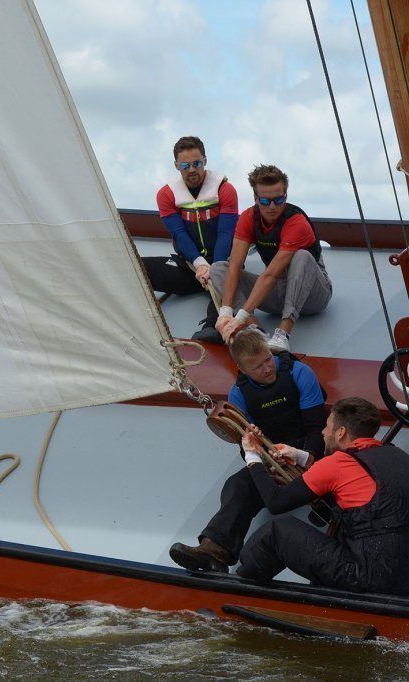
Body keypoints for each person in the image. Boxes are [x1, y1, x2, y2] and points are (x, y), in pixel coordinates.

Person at [169, 328, 326, 572]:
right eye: (258, 367)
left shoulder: (299, 373)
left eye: (268, 359)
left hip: (310, 451)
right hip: (272, 457)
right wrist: (267, 464)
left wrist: (307, 458)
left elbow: (317, 427)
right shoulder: (239, 394)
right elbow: (245, 446)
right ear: (242, 370)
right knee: (237, 485)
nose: (267, 368)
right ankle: (215, 550)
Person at [237, 397, 409, 595]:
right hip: (403, 580)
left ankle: (237, 591)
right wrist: (300, 456)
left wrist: (253, 457)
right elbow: (354, 485)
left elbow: (276, 501)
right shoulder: (400, 458)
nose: (323, 433)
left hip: (367, 576)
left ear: (341, 432)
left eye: (327, 427)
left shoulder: (337, 464)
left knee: (277, 532)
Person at [212, 165, 332, 353]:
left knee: (302, 256)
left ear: (286, 196)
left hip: (312, 295)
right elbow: (235, 266)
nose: (273, 206)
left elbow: (270, 275)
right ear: (256, 199)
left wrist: (239, 317)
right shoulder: (248, 218)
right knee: (219, 268)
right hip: (278, 292)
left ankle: (282, 335)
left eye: (279, 199)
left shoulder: (296, 223)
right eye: (266, 201)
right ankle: (255, 329)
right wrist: (226, 313)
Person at [141, 136, 238, 343]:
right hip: (190, 266)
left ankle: (213, 326)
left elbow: (226, 234)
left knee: (229, 281)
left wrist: (215, 268)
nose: (192, 169)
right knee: (139, 267)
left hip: (223, 263)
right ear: (176, 165)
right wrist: (200, 264)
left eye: (197, 163)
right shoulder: (166, 195)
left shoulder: (225, 190)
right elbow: (179, 234)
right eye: (185, 165)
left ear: (205, 161)